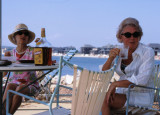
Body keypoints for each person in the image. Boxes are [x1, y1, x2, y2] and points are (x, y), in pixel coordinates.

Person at [101, 17, 155, 115]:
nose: (132, 38)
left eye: (136, 34)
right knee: (93, 98)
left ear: (139, 36)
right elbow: (103, 74)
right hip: (122, 94)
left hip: (141, 96)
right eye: (127, 35)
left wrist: (115, 84)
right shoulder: (119, 51)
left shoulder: (147, 52)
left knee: (103, 99)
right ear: (120, 37)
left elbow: (142, 80)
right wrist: (110, 59)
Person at [3, 23, 39, 115]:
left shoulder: (33, 51)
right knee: (10, 86)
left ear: (28, 38)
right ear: (15, 37)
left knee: (20, 87)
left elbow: (43, 61)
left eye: (26, 34)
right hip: (14, 83)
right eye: (20, 33)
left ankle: (9, 114)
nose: (23, 35)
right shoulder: (10, 53)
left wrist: (39, 46)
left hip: (30, 84)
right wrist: (4, 61)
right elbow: (4, 74)